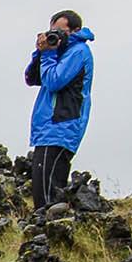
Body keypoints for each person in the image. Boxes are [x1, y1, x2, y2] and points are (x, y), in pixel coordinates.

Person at [24, 11, 94, 215]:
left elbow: (54, 81)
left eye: (61, 31)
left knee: (48, 193)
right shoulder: (59, 52)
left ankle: (49, 232)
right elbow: (32, 78)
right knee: (41, 187)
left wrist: (48, 54)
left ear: (76, 30)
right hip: (48, 127)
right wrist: (41, 51)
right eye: (52, 31)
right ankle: (45, 233)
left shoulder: (79, 51)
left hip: (61, 126)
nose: (57, 36)